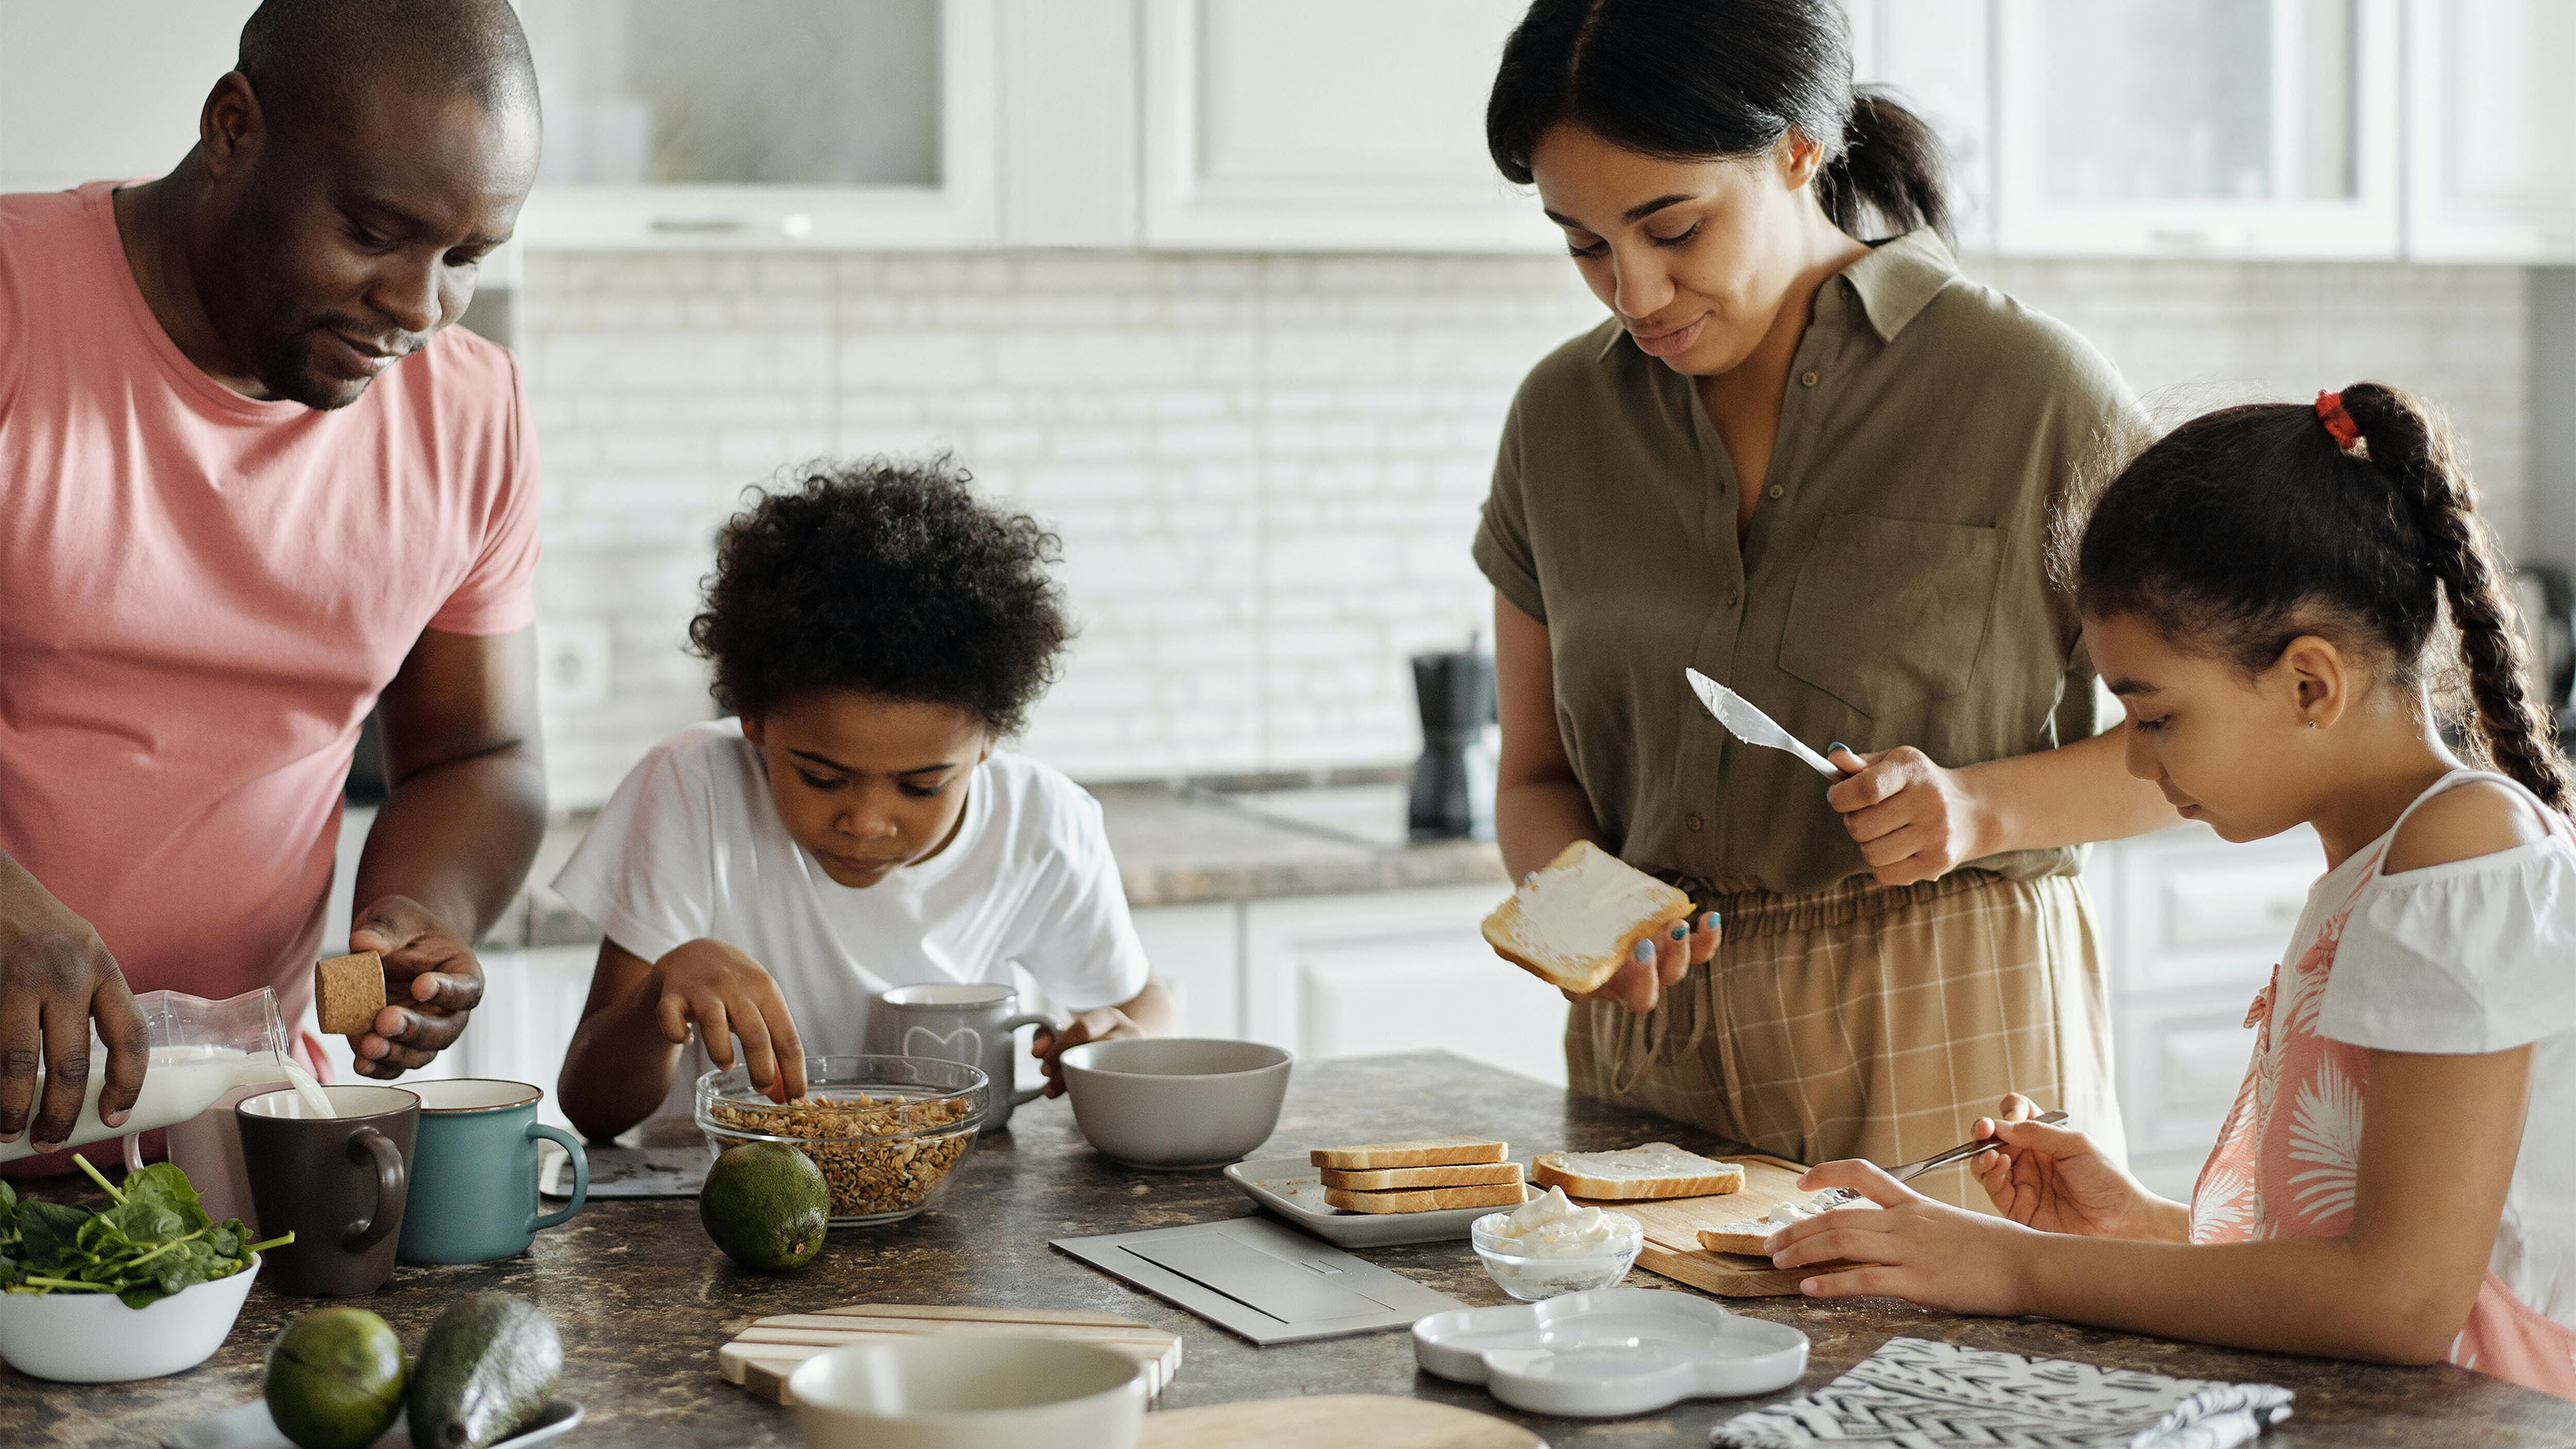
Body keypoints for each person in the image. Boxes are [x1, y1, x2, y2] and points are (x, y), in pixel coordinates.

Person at [1475, 0, 2178, 1201]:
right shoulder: (1558, 420)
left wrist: (1979, 808)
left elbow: (2222, 745)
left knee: (1964, 1394)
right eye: (1585, 245)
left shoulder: (2029, 390)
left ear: (1801, 149)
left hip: (1953, 1033)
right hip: (1652, 1054)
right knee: (1641, 1384)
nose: (1635, 292)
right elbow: (1539, 780)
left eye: (1674, 228)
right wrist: (1586, 918)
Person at [1769, 385, 2576, 1399]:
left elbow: (2399, 1301)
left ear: (2309, 685)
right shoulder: (2388, 859)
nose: (2142, 768)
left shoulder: (2458, 856)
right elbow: (2342, 1245)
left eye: (2153, 717)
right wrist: (2142, 1226)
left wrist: (2016, 1269)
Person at [0, 0, 547, 1159]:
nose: (416, 308)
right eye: (371, 230)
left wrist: (414, 925)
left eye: (464, 258)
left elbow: (476, 756)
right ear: (233, 126)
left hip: (230, 1143)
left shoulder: (471, 412)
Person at [553, 458, 1174, 1141]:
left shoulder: (1043, 823)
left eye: (921, 786)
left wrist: (1126, 1035)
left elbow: (1142, 1003)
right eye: (821, 777)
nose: (866, 823)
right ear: (754, 719)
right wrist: (660, 993)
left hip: (947, 1203)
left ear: (989, 741)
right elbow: (591, 1105)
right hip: (728, 1204)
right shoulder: (691, 787)